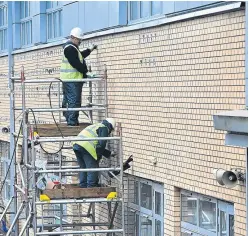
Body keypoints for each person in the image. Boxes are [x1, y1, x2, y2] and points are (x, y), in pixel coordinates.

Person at [60, 27, 97, 126]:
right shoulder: (70, 49)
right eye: (79, 40)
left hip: (70, 79)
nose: (80, 42)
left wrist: (90, 50)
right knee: (74, 101)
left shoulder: (72, 48)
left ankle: (70, 120)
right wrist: (86, 72)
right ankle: (72, 122)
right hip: (72, 80)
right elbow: (76, 63)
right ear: (73, 37)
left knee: (69, 100)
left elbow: (80, 56)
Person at [72, 118, 116, 188]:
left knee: (83, 167)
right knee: (92, 168)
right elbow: (101, 146)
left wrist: (108, 153)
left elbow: (98, 146)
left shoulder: (96, 125)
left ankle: (83, 187)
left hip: (76, 145)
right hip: (86, 146)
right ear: (110, 126)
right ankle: (91, 188)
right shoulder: (104, 128)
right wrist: (104, 155)